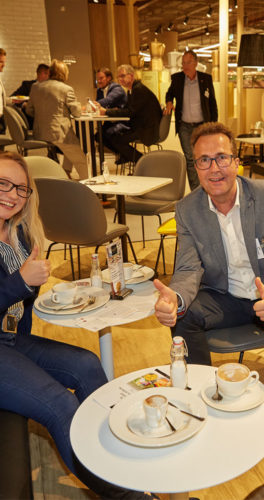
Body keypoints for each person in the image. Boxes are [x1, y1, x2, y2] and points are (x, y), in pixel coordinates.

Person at [0, 151, 150, 499]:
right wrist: (22, 281)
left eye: (21, 188)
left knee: (86, 364)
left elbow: (21, 298)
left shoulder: (17, 232)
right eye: (3, 183)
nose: (11, 194)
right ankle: (130, 496)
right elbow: (16, 288)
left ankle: (120, 454)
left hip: (10, 341)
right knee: (59, 405)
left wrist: (31, 282)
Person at [153, 122, 264, 394]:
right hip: (224, 298)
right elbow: (188, 269)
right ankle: (198, 397)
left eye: (222, 158)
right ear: (196, 167)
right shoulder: (187, 210)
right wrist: (175, 299)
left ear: (236, 162)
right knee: (184, 314)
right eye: (204, 160)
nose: (214, 168)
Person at [25, 59, 88, 179]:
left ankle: (66, 173)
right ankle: (90, 186)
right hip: (58, 133)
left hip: (40, 132)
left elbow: (29, 110)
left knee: (72, 147)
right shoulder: (66, 89)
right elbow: (77, 113)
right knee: (80, 158)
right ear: (64, 73)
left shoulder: (36, 87)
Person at [165, 50, 218, 190]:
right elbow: (169, 93)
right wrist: (169, 102)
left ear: (195, 63)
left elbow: (212, 103)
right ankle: (196, 191)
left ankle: (206, 187)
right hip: (185, 127)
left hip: (202, 126)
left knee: (203, 157)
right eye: (183, 62)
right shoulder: (177, 79)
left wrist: (213, 127)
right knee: (190, 159)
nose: (185, 65)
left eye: (188, 62)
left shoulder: (205, 79)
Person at [100, 64, 162, 165]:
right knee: (110, 135)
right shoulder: (132, 89)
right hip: (141, 126)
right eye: (119, 77)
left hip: (147, 129)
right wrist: (113, 111)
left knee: (116, 139)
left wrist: (107, 112)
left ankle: (142, 161)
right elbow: (129, 110)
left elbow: (130, 112)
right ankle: (129, 156)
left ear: (132, 76)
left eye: (123, 76)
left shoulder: (138, 90)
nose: (120, 79)